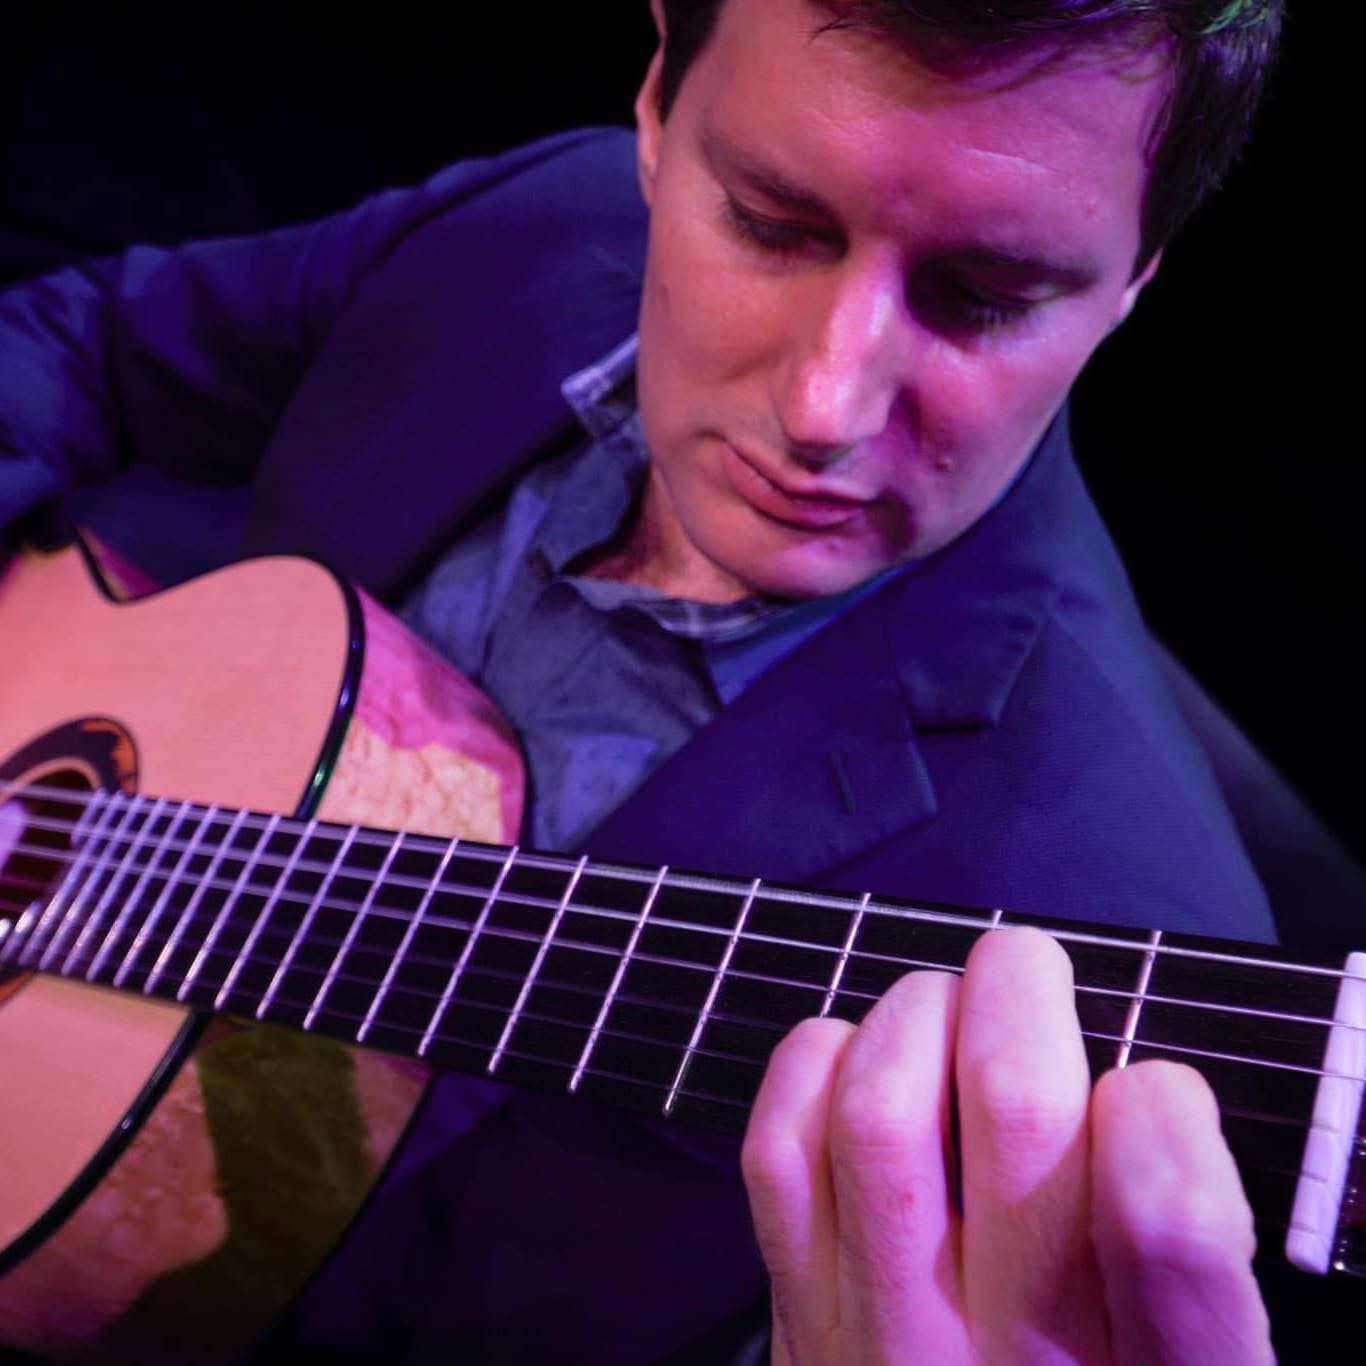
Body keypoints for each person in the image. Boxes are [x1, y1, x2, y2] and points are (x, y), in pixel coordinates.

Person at [0, 0, 1296, 1361]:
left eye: (983, 298)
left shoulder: (1115, 927)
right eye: (769, 223)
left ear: (1137, 273)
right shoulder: (551, 227)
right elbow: (92, 346)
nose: (825, 407)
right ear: (660, 96)